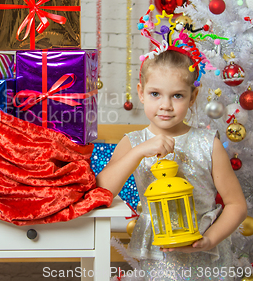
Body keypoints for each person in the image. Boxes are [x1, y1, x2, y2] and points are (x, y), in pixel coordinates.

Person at [97, 28, 247, 280]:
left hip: (206, 262)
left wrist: (210, 239)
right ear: (141, 93)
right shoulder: (133, 142)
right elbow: (101, 191)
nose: (165, 105)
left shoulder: (207, 144)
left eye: (177, 95)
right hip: (159, 258)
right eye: (155, 94)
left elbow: (236, 205)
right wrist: (138, 153)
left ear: (192, 97)